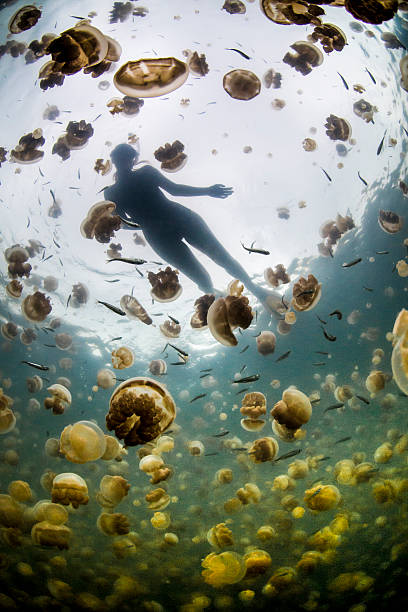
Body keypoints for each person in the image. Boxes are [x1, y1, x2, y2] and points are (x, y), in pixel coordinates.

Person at [104, 143, 278, 309]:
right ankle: (220, 305)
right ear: (118, 160)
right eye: (122, 158)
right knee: (203, 277)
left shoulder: (139, 176)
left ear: (131, 159)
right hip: (166, 228)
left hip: (172, 223)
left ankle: (254, 290)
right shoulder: (112, 192)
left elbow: (174, 190)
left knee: (220, 260)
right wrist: (138, 225)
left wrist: (208, 191)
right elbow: (121, 222)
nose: (125, 161)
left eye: (126, 157)